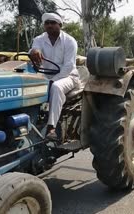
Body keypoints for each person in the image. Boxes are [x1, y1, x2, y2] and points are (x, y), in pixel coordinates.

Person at [29, 12, 80, 140]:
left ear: (60, 25)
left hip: (68, 77)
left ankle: (51, 128)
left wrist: (52, 81)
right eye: (47, 23)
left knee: (56, 87)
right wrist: (34, 51)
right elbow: (35, 49)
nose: (50, 25)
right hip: (45, 75)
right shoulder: (39, 39)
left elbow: (68, 66)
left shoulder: (70, 41)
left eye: (53, 23)